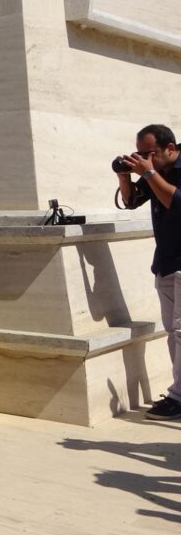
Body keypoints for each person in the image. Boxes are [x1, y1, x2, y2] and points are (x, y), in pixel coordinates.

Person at [116, 124, 181, 420]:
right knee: (173, 333)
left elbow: (176, 204)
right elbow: (131, 202)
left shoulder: (165, 171)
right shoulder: (156, 170)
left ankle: (178, 398)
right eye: (140, 153)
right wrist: (124, 177)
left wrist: (149, 173)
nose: (143, 158)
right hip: (165, 262)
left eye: (149, 153)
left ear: (170, 148)